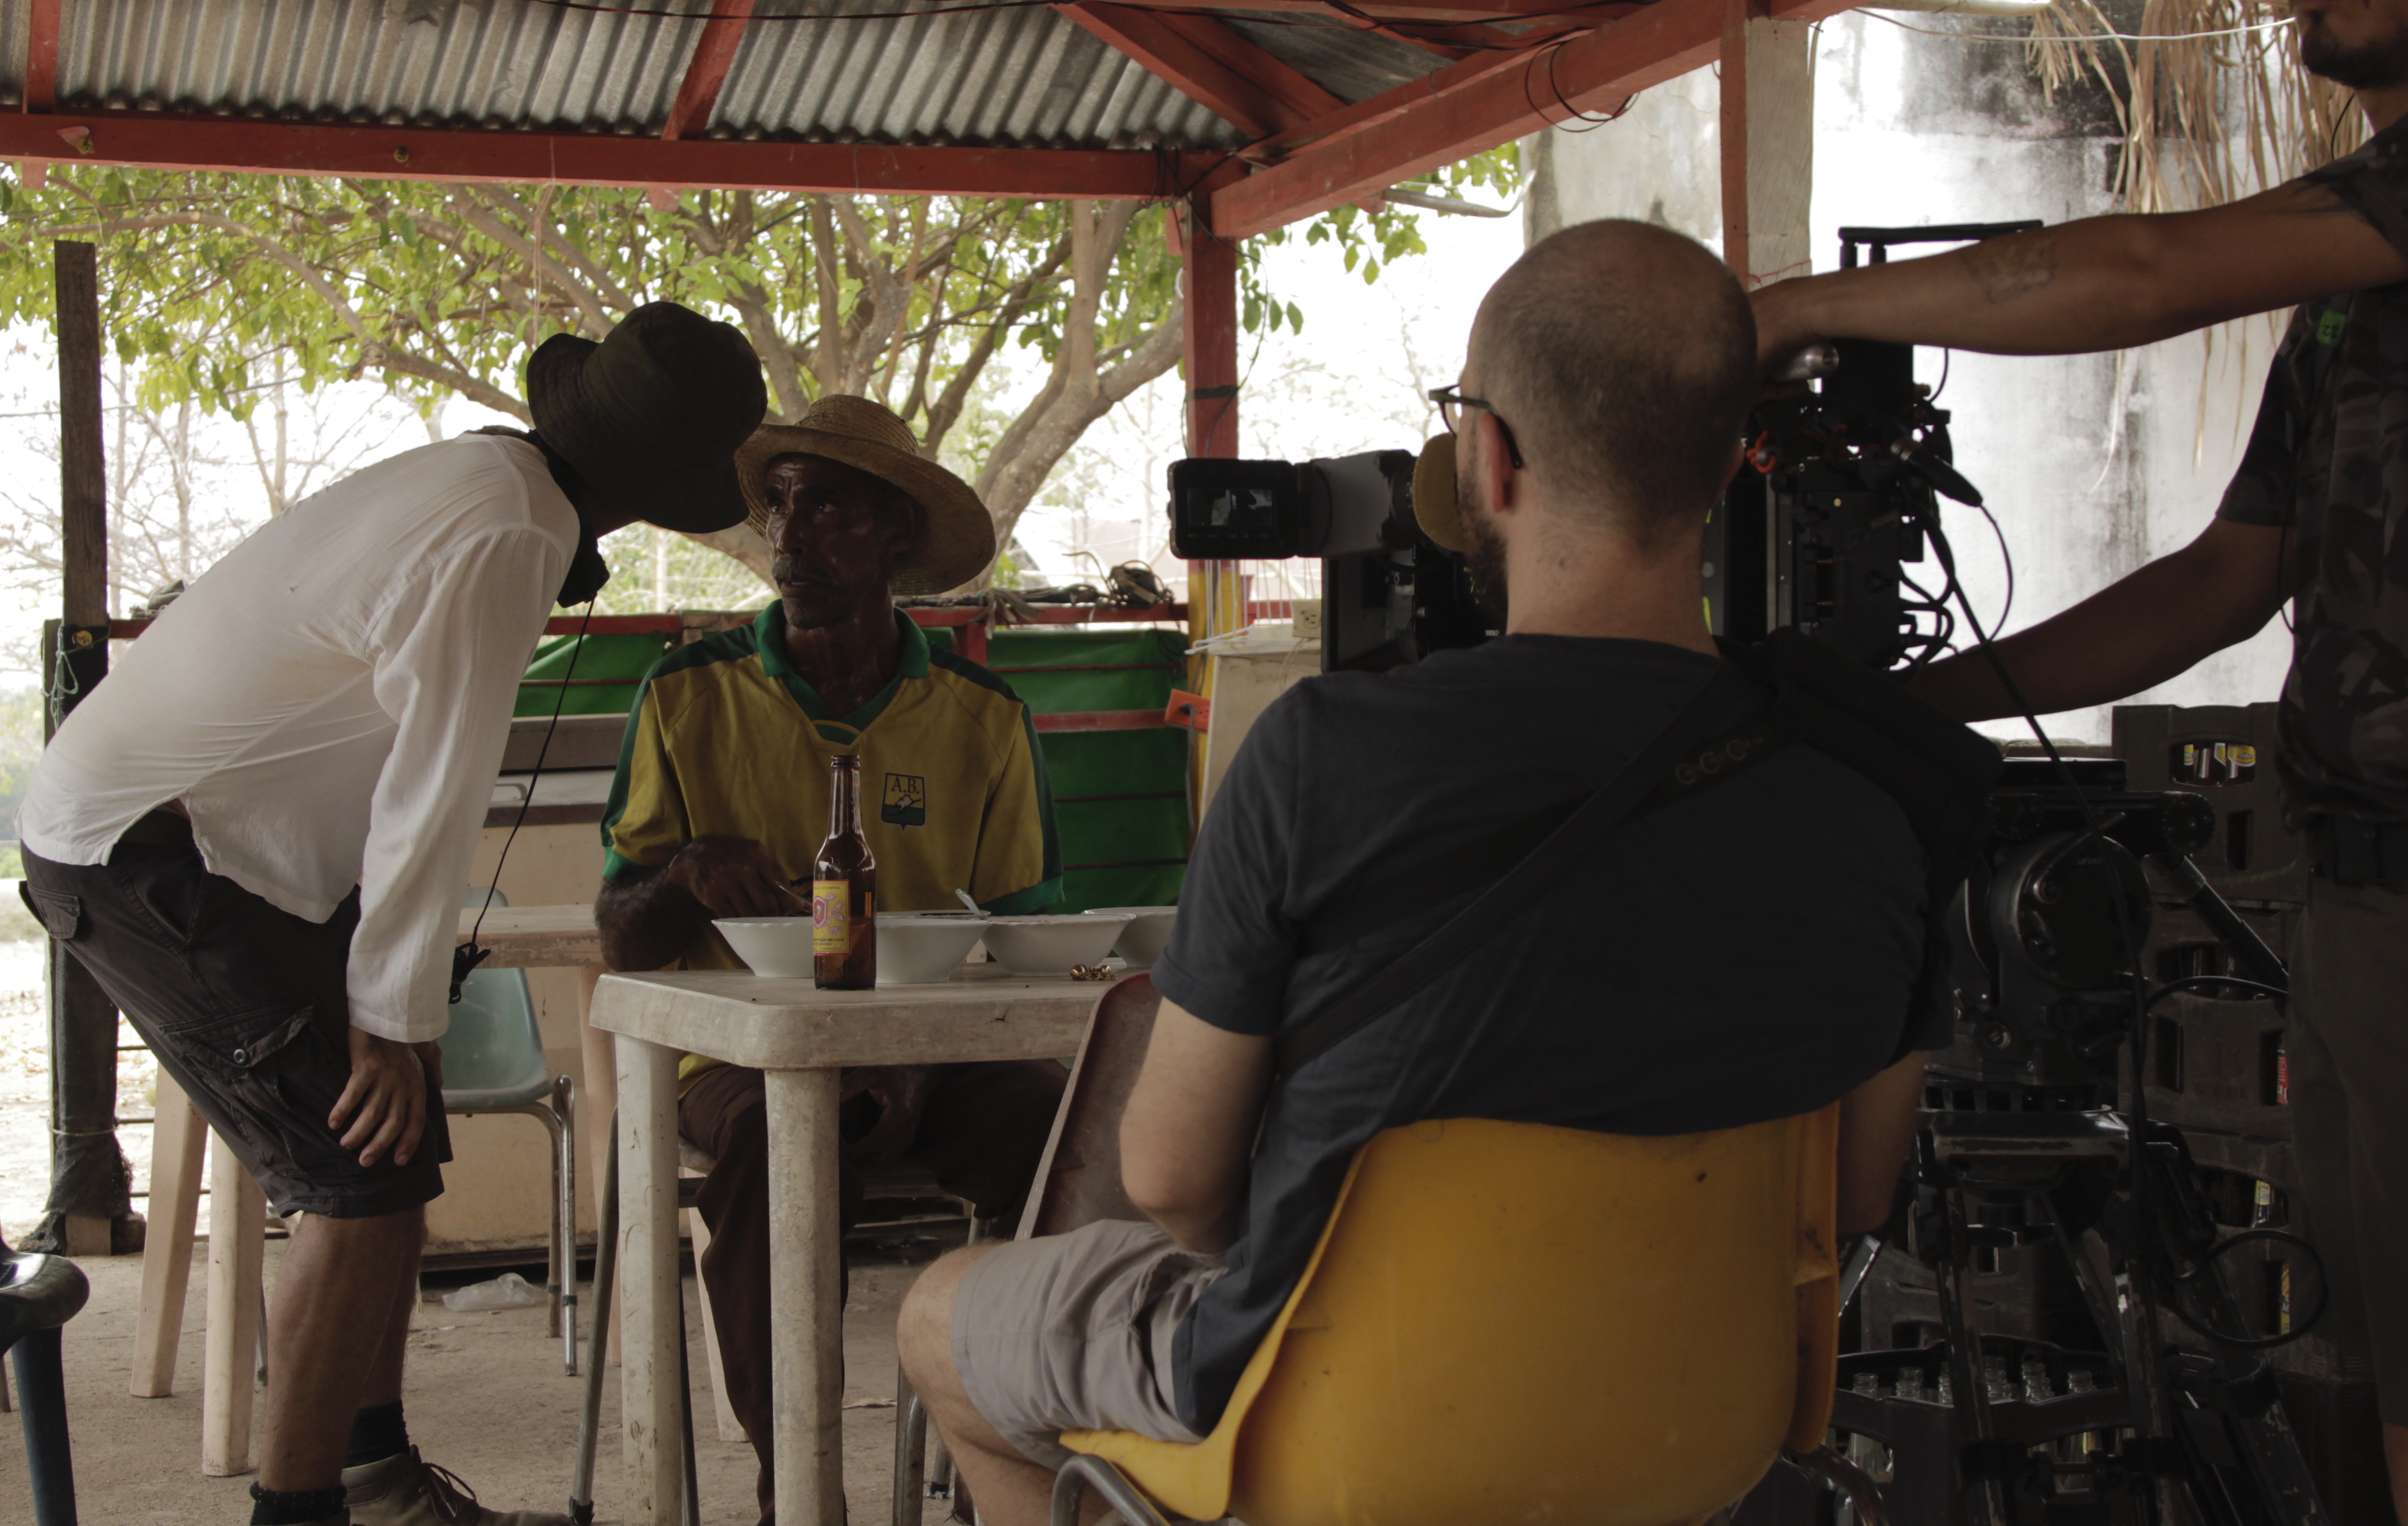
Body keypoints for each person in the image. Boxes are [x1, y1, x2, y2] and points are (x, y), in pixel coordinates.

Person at [893, 221, 1947, 1526]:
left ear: (1488, 458)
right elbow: (1852, 1192)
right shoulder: (1880, 796)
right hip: (1696, 1430)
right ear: (1731, 463)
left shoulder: (1319, 755)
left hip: (1338, 1427)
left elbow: (1169, 1177)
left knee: (940, 1315)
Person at [1748, 0, 2408, 1510]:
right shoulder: (2346, 289)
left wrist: (1779, 313)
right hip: (2359, 896)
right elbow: (2225, 582)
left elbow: (2144, 273)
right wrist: (1918, 706)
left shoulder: (2356, 232)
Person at [13, 303, 766, 1526]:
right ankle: (301, 1508)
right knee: (352, 1177)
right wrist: (390, 1015)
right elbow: (435, 782)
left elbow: (393, 766)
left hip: (204, 843)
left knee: (386, 1159)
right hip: (149, 846)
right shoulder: (511, 529)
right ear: (662, 491)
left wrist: (395, 1010)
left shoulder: (485, 476)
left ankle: (376, 1483)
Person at [593, 394, 1068, 1525]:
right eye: (778, 508)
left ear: (897, 534)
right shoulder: (687, 693)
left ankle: (1011, 1474)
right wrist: (682, 874)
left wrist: (916, 1050)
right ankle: (797, 1492)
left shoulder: (983, 714)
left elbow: (1026, 939)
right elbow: (620, 934)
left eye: (826, 511)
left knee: (1071, 1135)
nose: (788, 538)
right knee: (777, 1149)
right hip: (741, 1062)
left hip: (940, 1054)